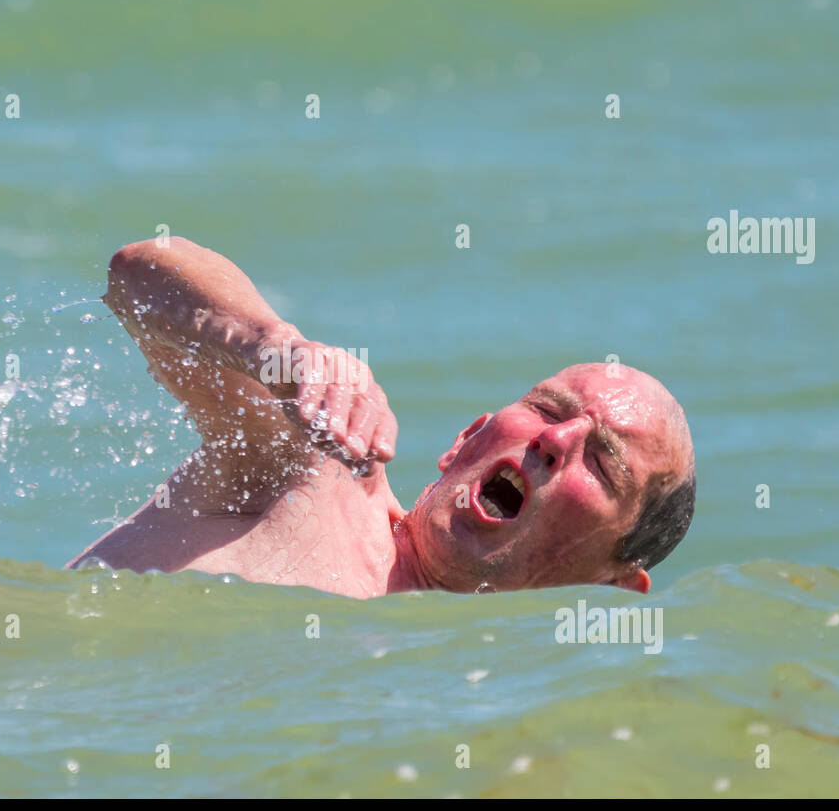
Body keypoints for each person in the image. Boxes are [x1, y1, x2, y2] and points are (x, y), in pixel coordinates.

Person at [67, 237, 695, 599]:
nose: (556, 439)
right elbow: (139, 276)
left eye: (603, 461)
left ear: (607, 589)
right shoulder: (315, 472)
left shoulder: (463, 708)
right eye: (544, 409)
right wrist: (278, 351)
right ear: (467, 439)